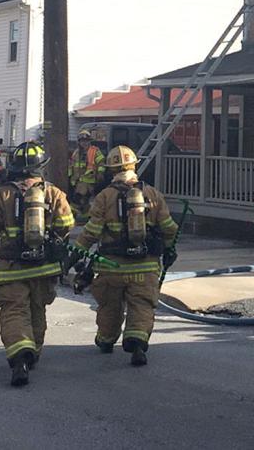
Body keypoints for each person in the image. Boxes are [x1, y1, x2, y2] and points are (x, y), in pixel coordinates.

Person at [0, 141, 73, 387]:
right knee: (37, 310)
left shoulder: (1, 195)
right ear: (42, 167)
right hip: (45, 268)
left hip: (11, 268)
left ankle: (20, 356)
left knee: (14, 311)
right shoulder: (54, 193)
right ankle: (33, 352)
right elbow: (66, 225)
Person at [74, 145, 178, 366]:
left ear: (111, 169)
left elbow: (91, 232)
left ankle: (106, 340)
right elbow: (169, 228)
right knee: (142, 305)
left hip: (111, 266)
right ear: (133, 166)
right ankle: (137, 342)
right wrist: (170, 250)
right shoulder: (153, 194)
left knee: (109, 307)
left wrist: (75, 255)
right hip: (146, 265)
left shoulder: (104, 196)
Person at [67, 129, 105, 218]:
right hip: (77, 182)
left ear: (90, 141)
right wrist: (70, 177)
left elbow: (101, 163)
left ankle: (74, 214)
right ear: (79, 142)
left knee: (78, 199)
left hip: (90, 181)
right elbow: (71, 165)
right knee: (84, 202)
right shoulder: (76, 153)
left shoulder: (95, 151)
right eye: (82, 141)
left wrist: (100, 173)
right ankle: (85, 217)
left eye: (86, 141)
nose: (84, 143)